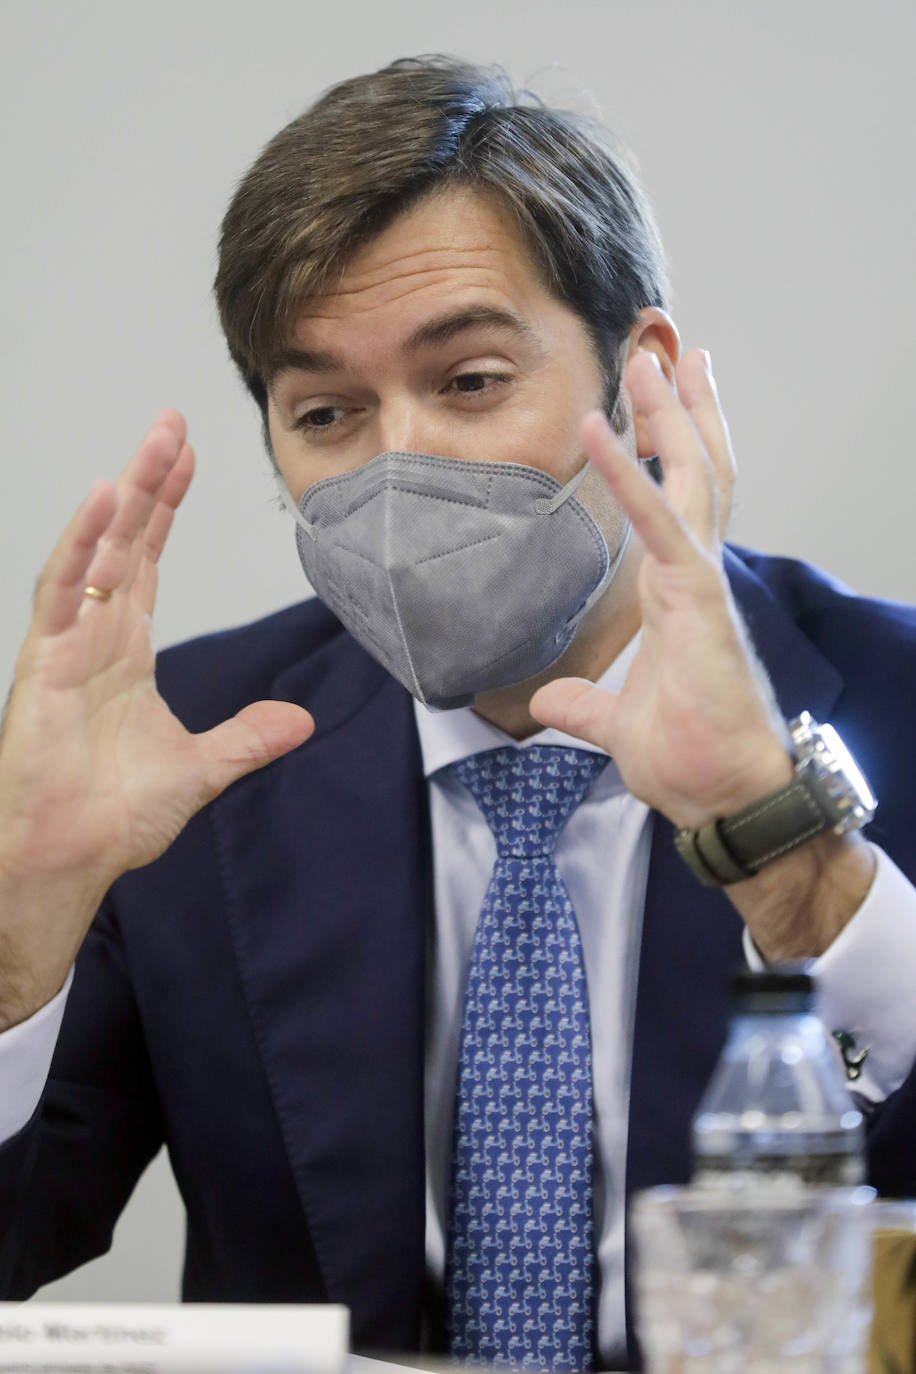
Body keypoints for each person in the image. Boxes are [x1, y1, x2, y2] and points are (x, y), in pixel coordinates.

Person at [1, 54, 916, 1373]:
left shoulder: (891, 693)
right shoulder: (187, 749)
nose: (402, 464)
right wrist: (20, 923)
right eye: (327, 412)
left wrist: (786, 850)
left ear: (640, 376)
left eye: (472, 380)